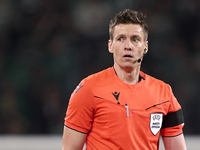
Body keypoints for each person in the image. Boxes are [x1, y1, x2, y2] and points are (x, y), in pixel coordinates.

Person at [62, 9, 187, 150]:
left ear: (145, 47)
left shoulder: (164, 93)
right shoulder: (88, 89)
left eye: (135, 39)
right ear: (110, 45)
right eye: (121, 38)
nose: (128, 46)